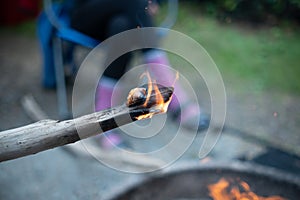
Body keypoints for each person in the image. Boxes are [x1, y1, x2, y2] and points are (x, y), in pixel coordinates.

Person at [70, 0, 209, 149]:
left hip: (121, 18)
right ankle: (175, 96)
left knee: (121, 27)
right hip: (86, 14)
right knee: (135, 4)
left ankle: (102, 121)